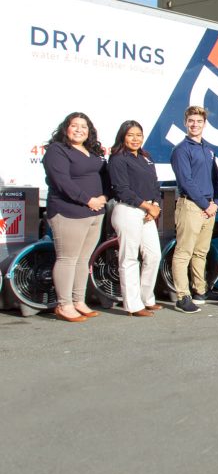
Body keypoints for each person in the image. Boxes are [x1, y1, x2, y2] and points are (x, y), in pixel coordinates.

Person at [42, 112, 109, 322]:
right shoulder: (57, 150)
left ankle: (78, 300)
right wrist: (87, 199)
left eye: (84, 126)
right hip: (68, 212)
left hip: (96, 212)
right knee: (67, 259)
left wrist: (104, 196)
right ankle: (64, 305)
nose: (79, 129)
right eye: (74, 125)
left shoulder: (92, 152)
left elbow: (106, 178)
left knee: (83, 260)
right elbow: (62, 181)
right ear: (66, 128)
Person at [107, 120, 163, 317]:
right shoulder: (117, 159)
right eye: (130, 135)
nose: (135, 139)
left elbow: (155, 185)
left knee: (154, 255)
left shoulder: (145, 158)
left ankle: (146, 298)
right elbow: (122, 190)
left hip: (147, 211)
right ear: (123, 136)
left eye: (138, 135)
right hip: (128, 210)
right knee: (129, 258)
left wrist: (155, 205)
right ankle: (132, 305)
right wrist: (147, 206)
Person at [170, 105, 218, 314]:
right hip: (191, 205)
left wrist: (215, 202)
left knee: (201, 252)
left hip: (208, 207)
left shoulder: (207, 148)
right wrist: (205, 204)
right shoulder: (181, 150)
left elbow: (215, 178)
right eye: (191, 121)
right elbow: (186, 181)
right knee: (184, 252)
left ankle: (200, 290)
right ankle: (182, 296)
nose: (195, 124)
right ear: (185, 123)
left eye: (199, 121)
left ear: (204, 124)